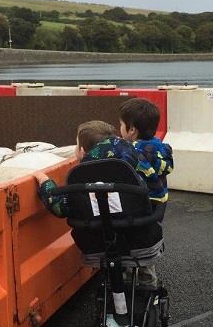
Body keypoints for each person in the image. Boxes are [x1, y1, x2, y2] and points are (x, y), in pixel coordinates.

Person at [35, 120, 164, 289]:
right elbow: (157, 193)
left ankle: (117, 285)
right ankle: (148, 285)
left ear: (81, 151)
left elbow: (60, 207)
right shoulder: (136, 160)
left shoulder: (79, 177)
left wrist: (44, 181)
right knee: (138, 229)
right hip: (141, 239)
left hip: (97, 243)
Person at [118, 98, 174, 287]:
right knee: (144, 241)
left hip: (135, 204)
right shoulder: (158, 148)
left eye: (121, 125)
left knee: (126, 239)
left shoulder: (130, 153)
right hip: (156, 206)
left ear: (132, 129)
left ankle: (124, 279)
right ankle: (148, 284)